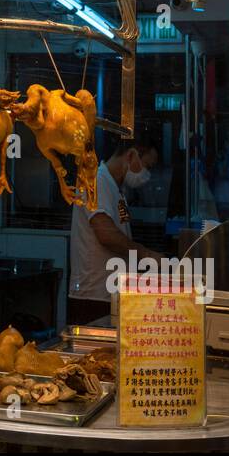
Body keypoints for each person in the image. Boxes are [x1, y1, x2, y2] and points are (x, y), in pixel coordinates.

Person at [68, 140, 160, 326]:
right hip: (94, 295)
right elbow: (106, 234)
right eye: (147, 166)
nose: (147, 174)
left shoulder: (117, 189)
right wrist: (146, 255)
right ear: (131, 155)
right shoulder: (96, 180)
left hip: (111, 293)